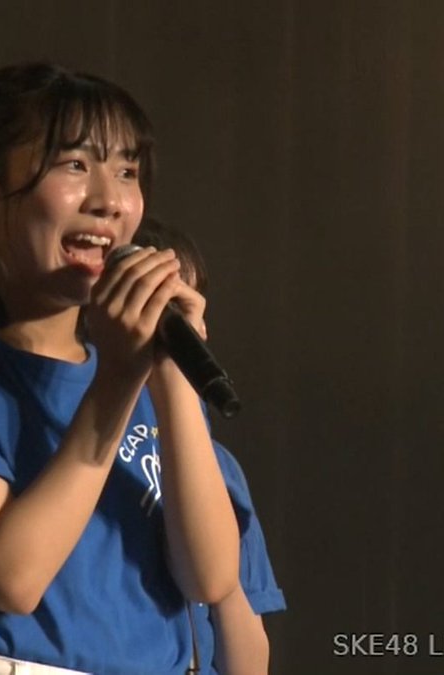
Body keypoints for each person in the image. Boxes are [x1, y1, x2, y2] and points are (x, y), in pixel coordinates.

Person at [0, 62, 283, 674]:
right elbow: (12, 574)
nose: (110, 201)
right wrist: (117, 379)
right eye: (75, 165)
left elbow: (211, 579)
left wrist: (168, 372)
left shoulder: (144, 384)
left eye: (127, 171)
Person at [131, 218, 286, 674]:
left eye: (184, 306)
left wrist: (215, 549)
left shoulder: (220, 466)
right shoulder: (82, 430)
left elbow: (249, 663)